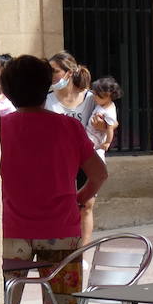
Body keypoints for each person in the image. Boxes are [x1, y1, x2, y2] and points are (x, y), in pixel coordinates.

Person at [0, 55, 107, 304]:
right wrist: (80, 198)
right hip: (61, 229)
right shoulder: (68, 128)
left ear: (8, 90)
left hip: (12, 232)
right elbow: (99, 175)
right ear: (46, 84)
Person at [46, 52, 100, 242]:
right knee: (60, 206)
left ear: (69, 72)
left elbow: (108, 124)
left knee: (87, 205)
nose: (51, 75)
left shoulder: (91, 98)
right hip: (58, 161)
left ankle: (82, 251)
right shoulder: (47, 99)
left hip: (85, 159)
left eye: (55, 71)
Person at [88, 76, 120, 158]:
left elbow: (110, 128)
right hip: (90, 133)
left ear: (107, 95)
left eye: (96, 95)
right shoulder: (102, 104)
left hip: (96, 138)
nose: (94, 97)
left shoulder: (109, 112)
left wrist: (107, 142)